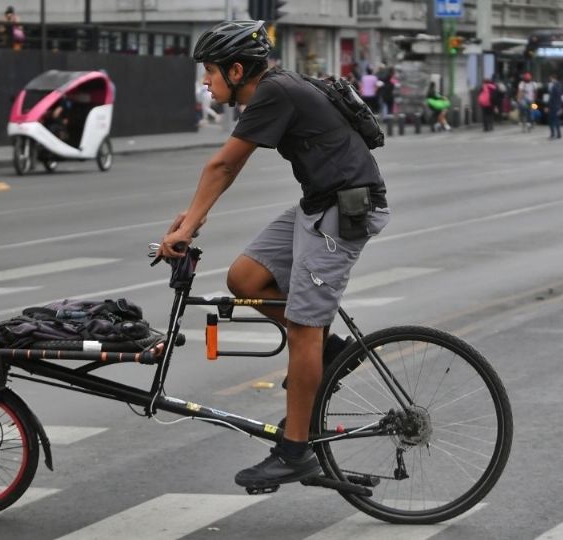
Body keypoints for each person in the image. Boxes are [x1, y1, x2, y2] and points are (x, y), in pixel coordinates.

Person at [158, 20, 390, 490]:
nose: (206, 81)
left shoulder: (274, 92)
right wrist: (190, 220)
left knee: (303, 326)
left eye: (210, 72)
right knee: (245, 278)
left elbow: (225, 163)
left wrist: (187, 226)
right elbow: (224, 169)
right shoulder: (278, 87)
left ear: (237, 69)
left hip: (345, 210)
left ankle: (295, 450)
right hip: (319, 203)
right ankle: (328, 354)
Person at [546, 74, 562, 139]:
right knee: (556, 119)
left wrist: (547, 106)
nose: (550, 80)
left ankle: (553, 134)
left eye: (551, 79)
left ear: (553, 78)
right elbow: (560, 97)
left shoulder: (554, 86)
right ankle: (558, 134)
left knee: (551, 120)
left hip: (553, 106)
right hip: (557, 105)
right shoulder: (559, 85)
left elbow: (551, 97)